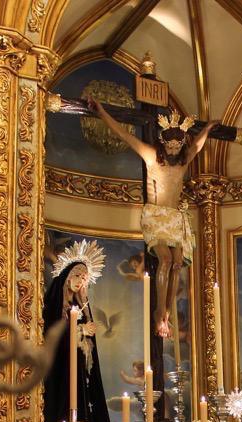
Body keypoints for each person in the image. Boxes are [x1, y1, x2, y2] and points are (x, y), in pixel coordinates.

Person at [87, 99, 215, 338]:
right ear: (163, 142)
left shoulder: (184, 159)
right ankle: (160, 311)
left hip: (175, 217)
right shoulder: (151, 156)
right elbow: (124, 134)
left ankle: (169, 311)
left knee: (178, 263)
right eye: (171, 146)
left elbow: (197, 146)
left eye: (178, 146)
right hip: (156, 216)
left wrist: (207, 129)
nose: (174, 150)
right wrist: (103, 112)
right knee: (165, 260)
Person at [42, 239, 117, 422]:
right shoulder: (55, 303)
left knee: (85, 407)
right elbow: (52, 333)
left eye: (84, 278)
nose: (80, 281)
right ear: (66, 277)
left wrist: (86, 329)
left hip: (80, 373)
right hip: (62, 371)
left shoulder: (81, 306)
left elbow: (88, 341)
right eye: (76, 276)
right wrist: (80, 330)